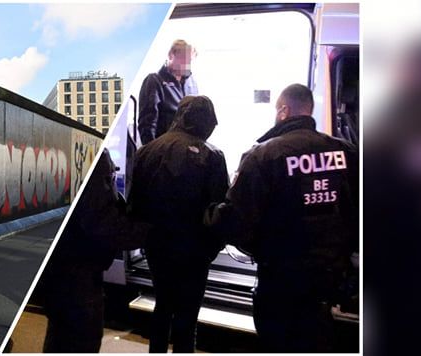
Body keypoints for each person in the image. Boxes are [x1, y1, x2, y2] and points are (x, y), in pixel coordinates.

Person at [217, 84, 359, 352]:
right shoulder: (346, 152)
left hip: (280, 277)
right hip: (328, 278)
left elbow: (238, 222)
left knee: (278, 340)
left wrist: (262, 251)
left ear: (283, 111)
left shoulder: (263, 155)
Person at [129, 96, 229, 353]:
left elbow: (135, 205)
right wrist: (210, 250)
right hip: (194, 252)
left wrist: (144, 237)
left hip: (156, 247)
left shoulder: (146, 151)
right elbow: (219, 212)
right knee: (187, 315)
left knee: (162, 305)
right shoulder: (212, 156)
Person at [38, 149, 150, 353]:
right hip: (79, 275)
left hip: (59, 269)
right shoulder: (92, 155)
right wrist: (146, 231)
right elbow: (100, 220)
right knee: (79, 341)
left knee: (60, 338)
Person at [137, 40, 199, 145]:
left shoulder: (192, 84)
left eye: (190, 61)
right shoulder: (154, 81)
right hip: (163, 148)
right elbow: (147, 124)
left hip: (186, 150)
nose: (187, 64)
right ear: (171, 55)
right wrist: (151, 152)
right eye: (183, 59)